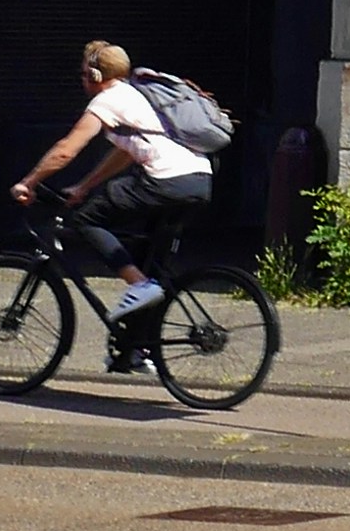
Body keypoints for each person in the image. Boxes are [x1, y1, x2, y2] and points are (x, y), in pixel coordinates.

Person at [11, 42, 215, 360]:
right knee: (149, 263)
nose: (81, 80)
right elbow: (124, 152)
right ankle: (136, 349)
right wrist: (84, 185)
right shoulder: (136, 96)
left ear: (95, 74)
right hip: (199, 180)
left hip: (166, 180)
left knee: (86, 220)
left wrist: (29, 181)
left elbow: (67, 148)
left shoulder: (108, 100)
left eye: (83, 73)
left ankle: (137, 285)